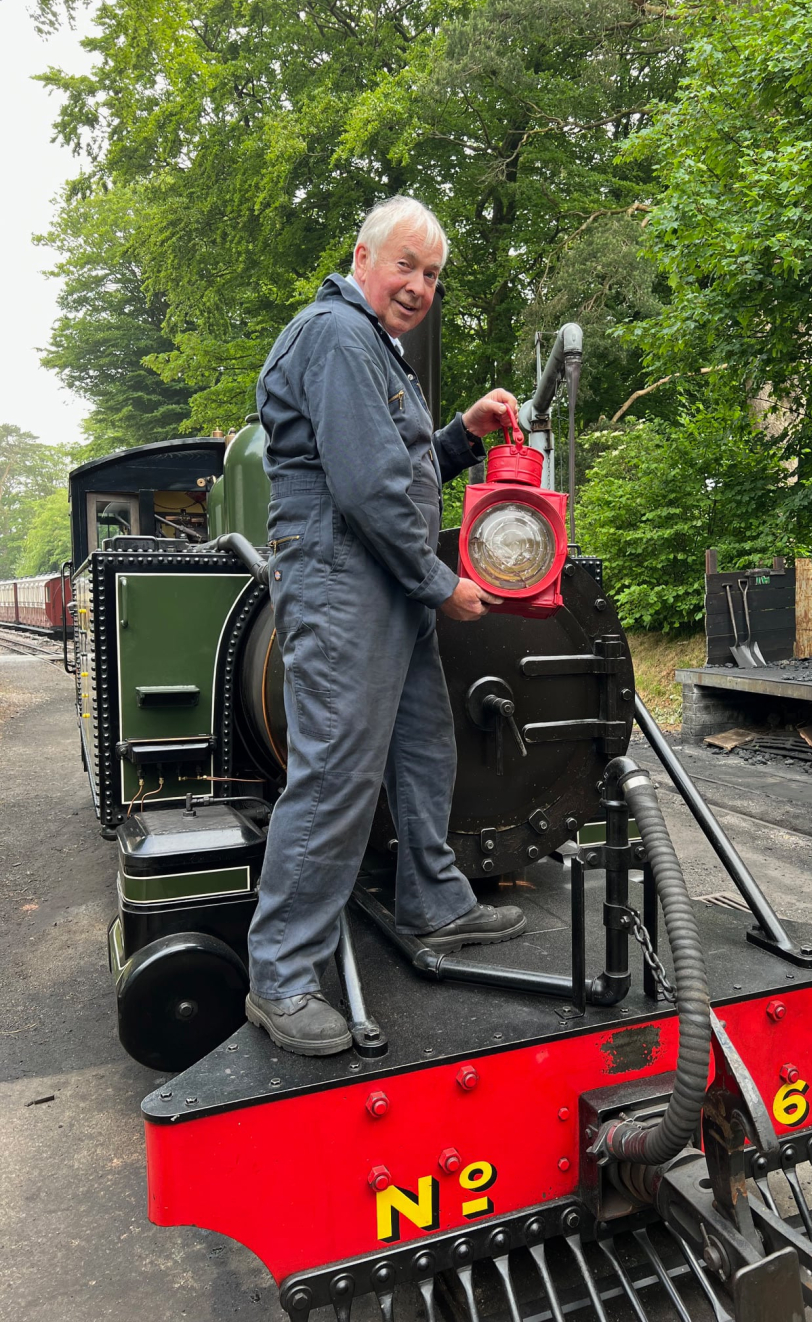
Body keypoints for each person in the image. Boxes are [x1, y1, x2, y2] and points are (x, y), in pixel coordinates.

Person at [245, 196, 527, 1056]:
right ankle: (283, 974)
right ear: (363, 257)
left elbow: (397, 467)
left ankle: (433, 901)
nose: (418, 286)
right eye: (405, 265)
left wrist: (462, 435)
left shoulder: (372, 350)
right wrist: (440, 582)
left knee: (423, 746)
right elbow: (368, 491)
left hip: (377, 582)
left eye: (433, 275)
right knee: (335, 774)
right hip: (341, 579)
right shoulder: (334, 335)